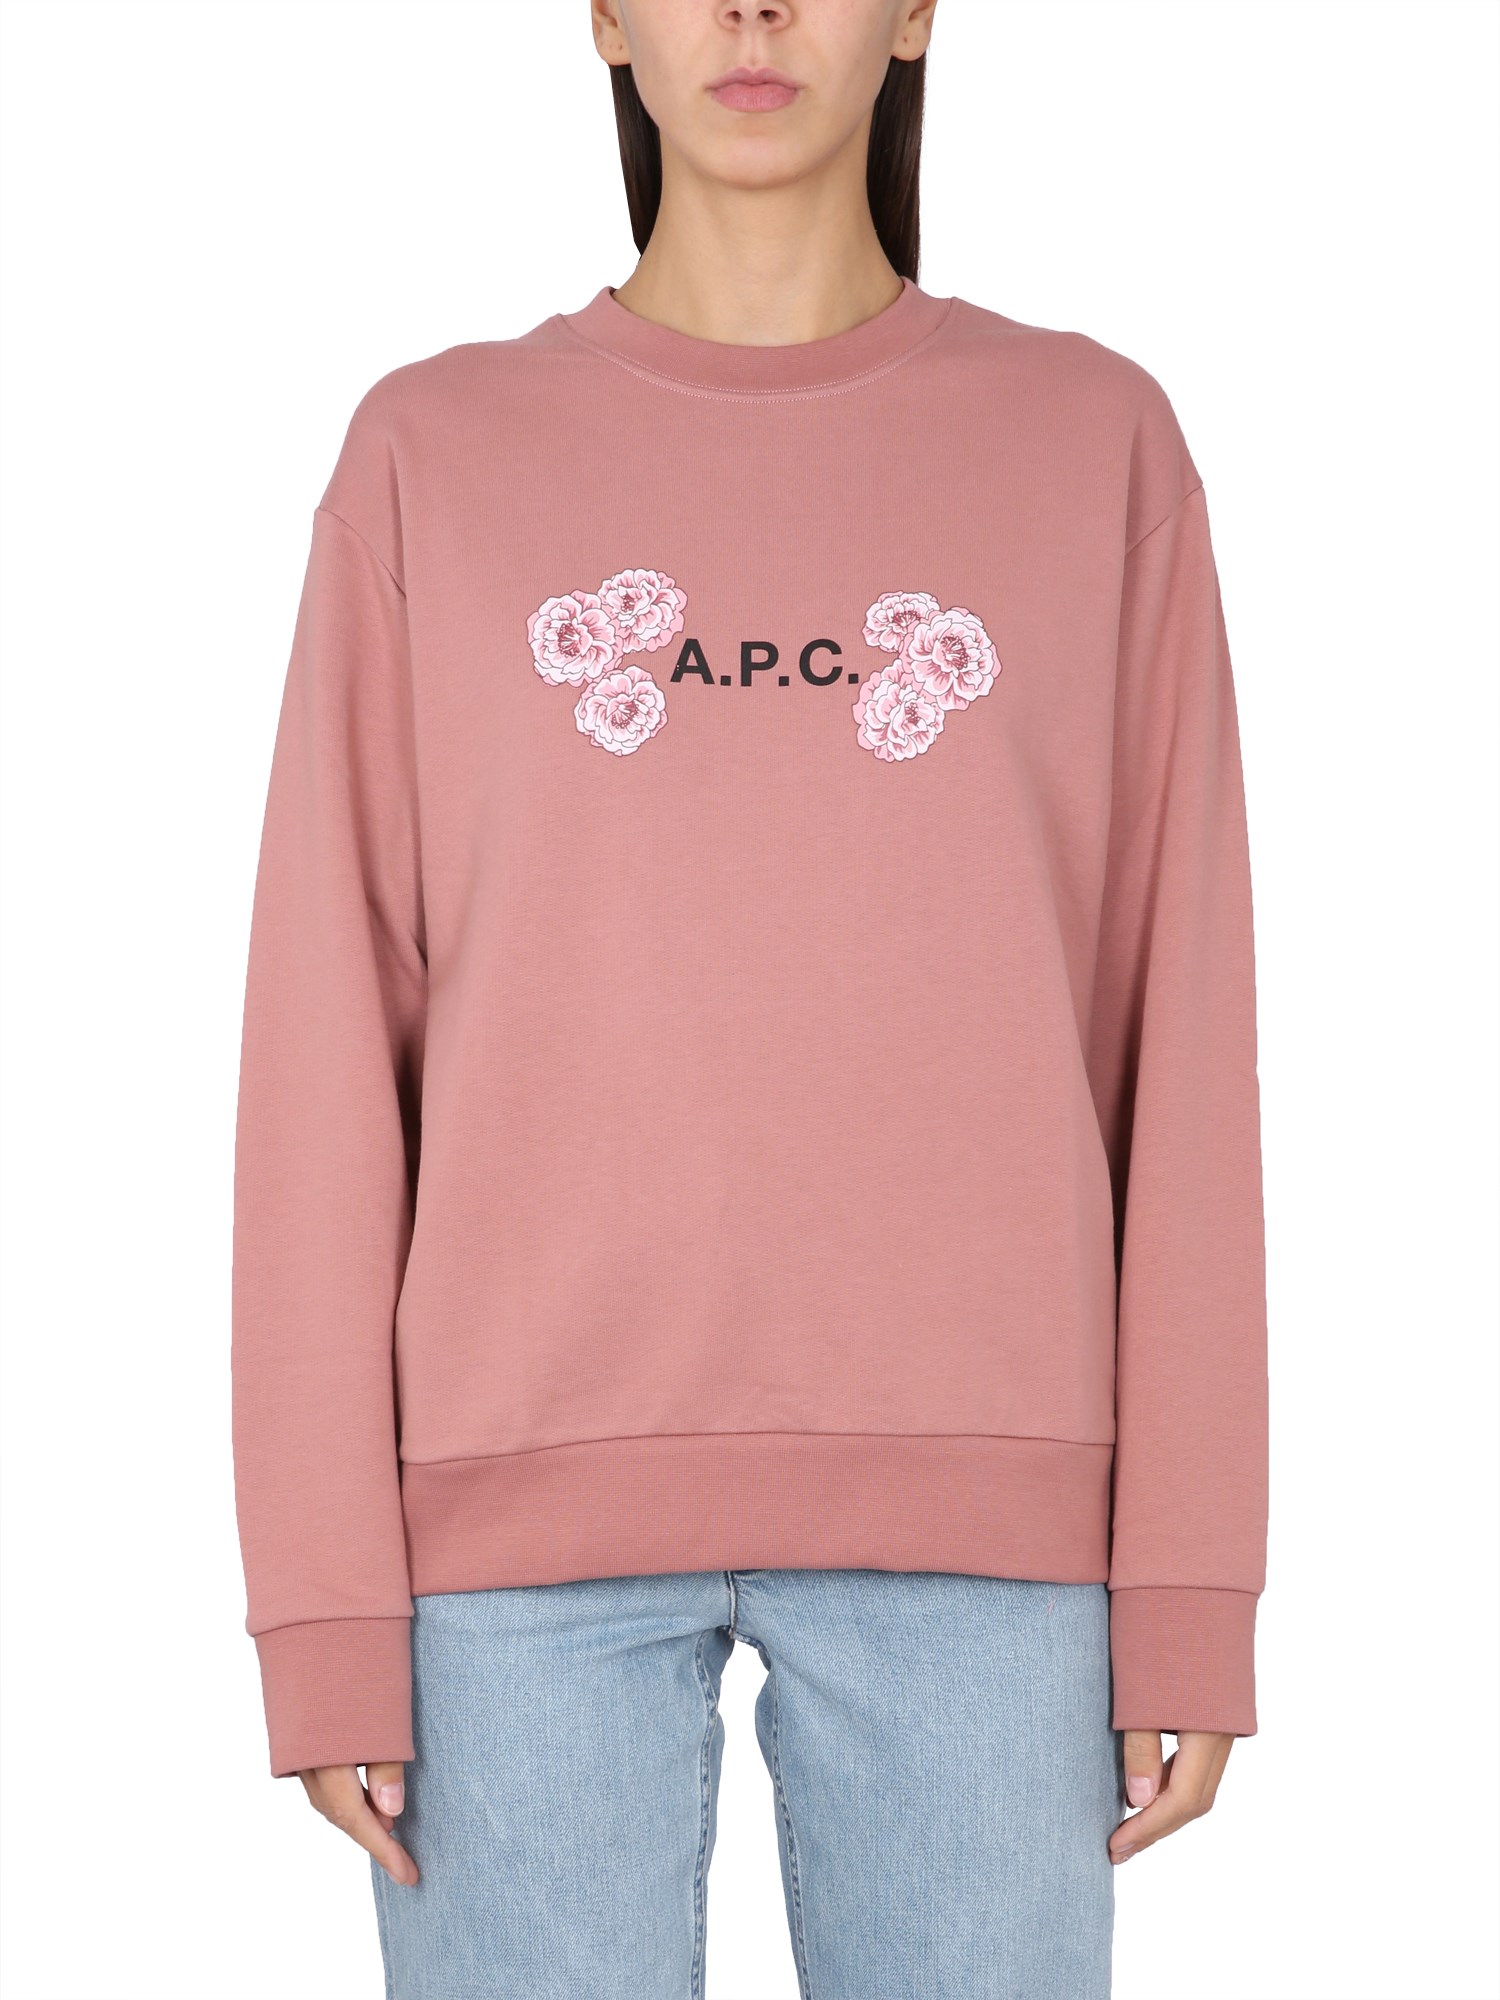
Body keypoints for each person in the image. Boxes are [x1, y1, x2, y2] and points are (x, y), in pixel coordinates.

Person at [230, 2, 1269, 1993]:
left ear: (919, 9)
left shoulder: (1092, 442)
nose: (756, 11)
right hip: (504, 1544)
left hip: (991, 1525)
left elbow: (1184, 1029)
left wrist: (1192, 1579)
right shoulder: (430, 455)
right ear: (606, 18)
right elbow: (322, 1049)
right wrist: (325, 1602)